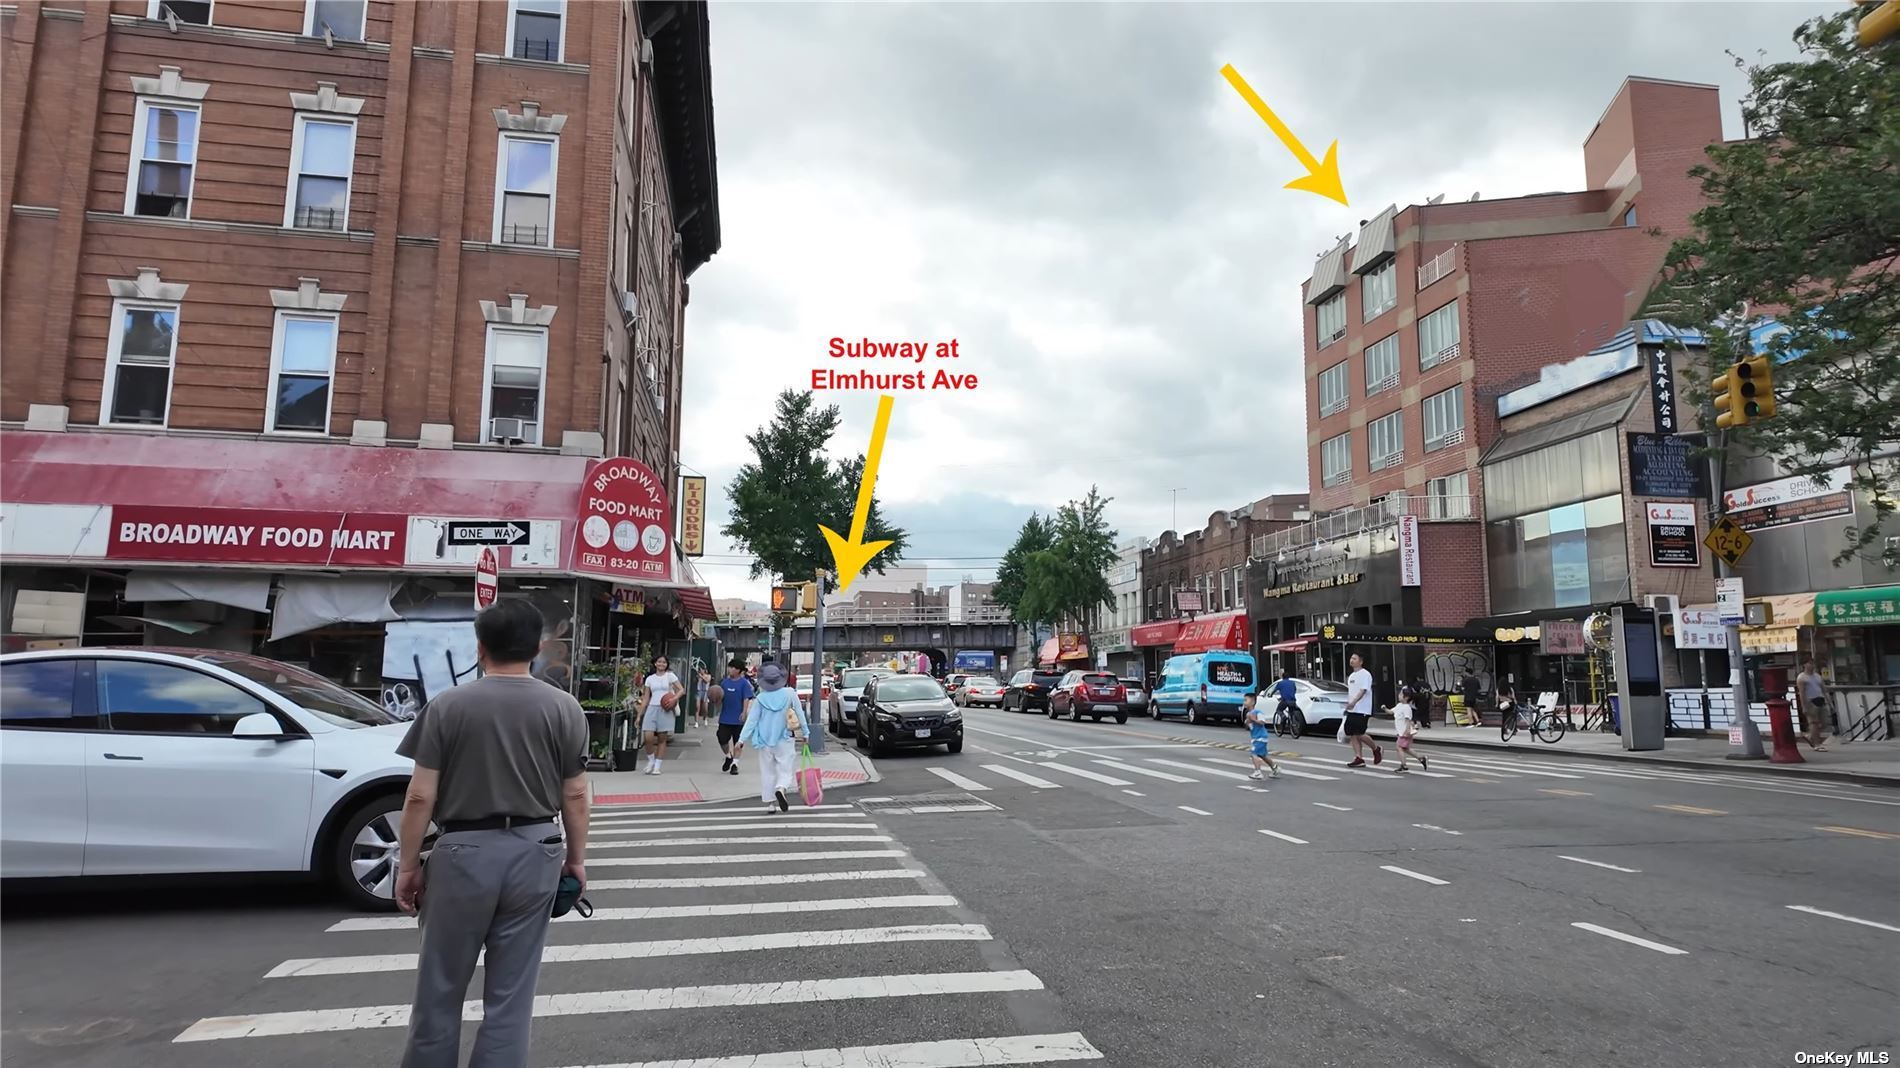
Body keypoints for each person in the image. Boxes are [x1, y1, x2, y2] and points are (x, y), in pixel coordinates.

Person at [392, 598, 590, 1068]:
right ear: (538, 648)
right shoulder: (564, 708)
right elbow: (576, 796)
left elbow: (419, 797)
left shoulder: (447, 706)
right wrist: (576, 860)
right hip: (536, 852)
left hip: (462, 853)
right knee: (511, 998)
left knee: (439, 989)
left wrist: (407, 865)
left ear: (480, 647)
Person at [734, 663, 808, 813]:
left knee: (768, 772)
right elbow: (800, 714)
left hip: (764, 740)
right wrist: (805, 733)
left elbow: (752, 721)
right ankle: (781, 788)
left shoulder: (761, 698)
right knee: (785, 768)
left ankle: (770, 804)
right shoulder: (790, 693)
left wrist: (741, 740)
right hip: (785, 738)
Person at [639, 654, 683, 775]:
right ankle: (650, 760)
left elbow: (681, 689)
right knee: (648, 737)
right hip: (652, 708)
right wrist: (639, 715)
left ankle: (657, 765)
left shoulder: (670, 676)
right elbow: (646, 698)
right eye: (659, 662)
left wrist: (674, 699)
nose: (661, 664)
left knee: (662, 738)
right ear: (655, 663)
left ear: (666, 664)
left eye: (664, 662)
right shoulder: (650, 679)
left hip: (666, 708)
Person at [1343, 652, 1382, 768]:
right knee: (1351, 734)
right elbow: (1351, 692)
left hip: (1362, 709)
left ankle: (1376, 748)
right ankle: (1359, 757)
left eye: (1354, 658)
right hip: (1352, 709)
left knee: (1360, 733)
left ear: (1361, 661)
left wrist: (1354, 702)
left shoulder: (1365, 674)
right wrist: (1349, 703)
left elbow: (1363, 690)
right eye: (1351, 658)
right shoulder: (1351, 676)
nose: (1352, 660)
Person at [717, 659, 755, 775]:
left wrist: (744, 712)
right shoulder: (724, 683)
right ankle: (728, 756)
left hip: (738, 718)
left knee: (738, 742)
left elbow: (746, 698)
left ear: (738, 670)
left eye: (733, 668)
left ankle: (735, 764)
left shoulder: (744, 683)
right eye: (729, 667)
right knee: (721, 737)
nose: (730, 670)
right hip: (725, 717)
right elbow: (719, 697)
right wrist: (716, 700)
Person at [1243, 692, 1280, 779]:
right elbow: (1249, 727)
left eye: (1246, 700)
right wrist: (1247, 722)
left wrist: (1253, 719)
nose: (1244, 702)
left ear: (1252, 702)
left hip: (1260, 737)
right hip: (1255, 737)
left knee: (1253, 753)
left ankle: (1258, 772)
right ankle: (1275, 768)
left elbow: (1262, 722)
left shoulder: (1258, 712)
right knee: (1263, 755)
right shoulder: (1248, 714)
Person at [1795, 657, 1830, 750]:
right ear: (1804, 665)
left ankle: (1810, 736)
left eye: (1813, 663)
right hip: (1810, 701)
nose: (1812, 665)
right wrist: (1804, 706)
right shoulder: (1802, 677)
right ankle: (1817, 744)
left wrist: (1829, 702)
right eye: (1809, 663)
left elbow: (1824, 689)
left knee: (1824, 723)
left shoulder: (1817, 676)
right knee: (1813, 723)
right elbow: (1801, 693)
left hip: (1820, 699)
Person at [1390, 685, 1427, 772]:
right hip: (1401, 731)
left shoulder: (1407, 708)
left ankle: (1404, 765)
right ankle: (1421, 758)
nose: (1398, 696)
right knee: (1405, 748)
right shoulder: (1399, 705)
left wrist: (1407, 731)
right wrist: (1385, 708)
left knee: (1399, 747)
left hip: (1404, 732)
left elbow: (1408, 720)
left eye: (1400, 694)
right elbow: (1391, 711)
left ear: (1406, 697)